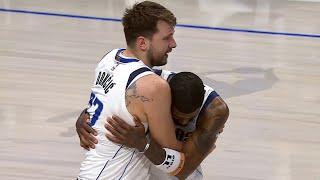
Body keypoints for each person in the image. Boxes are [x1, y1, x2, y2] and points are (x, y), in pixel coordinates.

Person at [77, 1, 186, 179]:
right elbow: (171, 158)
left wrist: (82, 116)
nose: (173, 44)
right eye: (167, 38)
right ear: (142, 43)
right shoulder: (153, 87)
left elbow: (107, 102)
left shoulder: (109, 58)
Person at [76, 70, 229, 179]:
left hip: (175, 166)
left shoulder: (215, 110)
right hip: (141, 157)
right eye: (176, 117)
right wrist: (86, 116)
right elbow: (109, 99)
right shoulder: (149, 85)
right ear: (165, 98)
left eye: (190, 118)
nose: (183, 123)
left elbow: (184, 170)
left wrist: (144, 144)